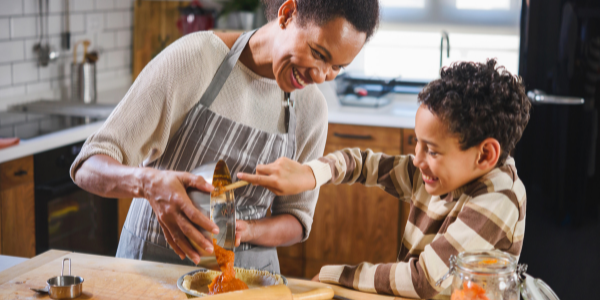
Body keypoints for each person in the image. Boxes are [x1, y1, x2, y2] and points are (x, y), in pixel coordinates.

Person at [70, 0, 379, 274]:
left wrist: (249, 230)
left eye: (337, 67)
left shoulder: (311, 109)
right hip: (153, 268)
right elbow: (88, 165)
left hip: (249, 279)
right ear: (287, 14)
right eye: (318, 53)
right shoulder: (196, 59)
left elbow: (297, 219)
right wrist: (148, 182)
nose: (321, 75)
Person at [238, 59, 531, 297]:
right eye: (417, 143)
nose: (417, 159)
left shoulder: (498, 195)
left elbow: (423, 279)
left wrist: (336, 275)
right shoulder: (439, 174)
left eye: (431, 150)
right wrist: (311, 174)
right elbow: (362, 164)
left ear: (485, 155)